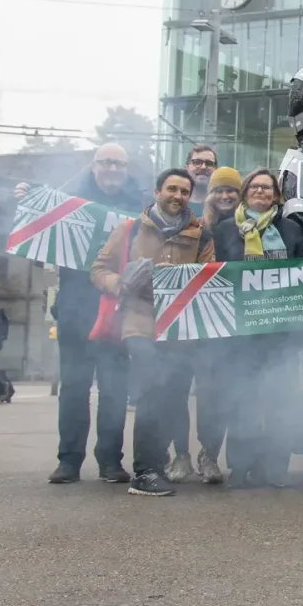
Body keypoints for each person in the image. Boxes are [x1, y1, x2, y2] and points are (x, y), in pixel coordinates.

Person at [20, 143, 144, 484]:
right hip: (76, 308)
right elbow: (36, 215)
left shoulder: (138, 204)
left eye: (119, 163)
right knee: (74, 387)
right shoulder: (68, 200)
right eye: (106, 162)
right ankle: (69, 460)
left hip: (119, 309)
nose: (113, 169)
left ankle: (110, 461)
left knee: (114, 388)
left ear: (126, 167)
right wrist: (28, 194)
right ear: (93, 166)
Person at [90, 168, 214, 498]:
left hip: (178, 329)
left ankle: (155, 466)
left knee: (171, 397)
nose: (178, 195)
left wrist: (182, 279)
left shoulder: (201, 235)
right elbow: (98, 269)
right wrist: (119, 283)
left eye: (184, 191)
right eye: (171, 189)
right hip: (138, 323)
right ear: (157, 192)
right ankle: (145, 472)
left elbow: (208, 279)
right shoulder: (129, 229)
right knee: (152, 388)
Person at [210, 168, 303, 488]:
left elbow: (302, 271)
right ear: (245, 191)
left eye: (267, 188)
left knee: (280, 400)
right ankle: (240, 466)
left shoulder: (292, 229)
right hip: (241, 333)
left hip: (282, 332)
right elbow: (216, 277)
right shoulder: (225, 229)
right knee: (242, 400)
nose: (261, 192)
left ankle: (275, 467)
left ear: (276, 195)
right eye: (254, 186)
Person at [161, 165, 243, 483]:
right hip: (187, 322)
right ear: (209, 195)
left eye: (231, 191)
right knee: (175, 391)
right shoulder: (193, 226)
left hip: (223, 328)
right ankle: (180, 455)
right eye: (220, 190)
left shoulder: (251, 228)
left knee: (214, 396)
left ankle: (209, 455)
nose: (225, 195)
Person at [183, 145, 218, 217]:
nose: (203, 167)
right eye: (197, 162)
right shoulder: (175, 203)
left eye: (209, 163)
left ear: (216, 170)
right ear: (186, 168)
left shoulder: (223, 205)